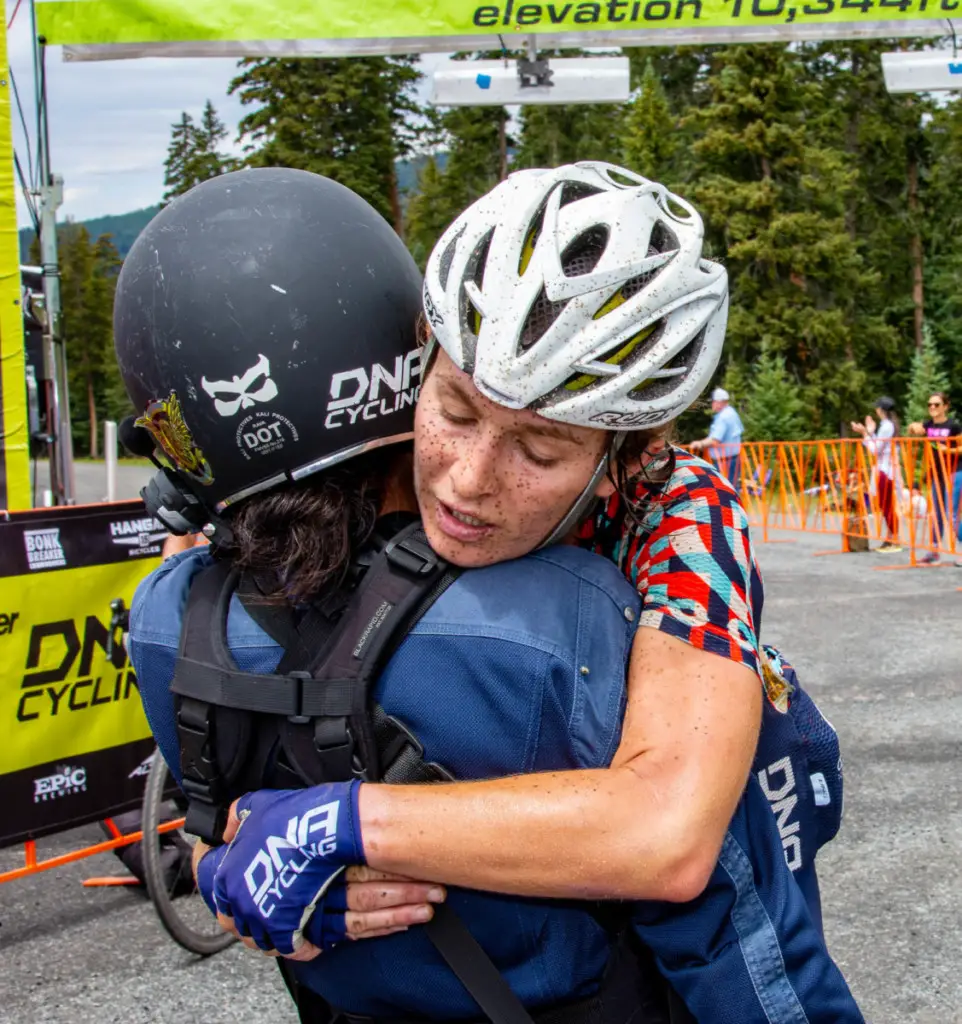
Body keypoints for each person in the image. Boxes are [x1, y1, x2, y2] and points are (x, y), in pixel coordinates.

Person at [124, 166, 862, 1023]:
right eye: (456, 410)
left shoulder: (676, 510)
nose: (469, 482)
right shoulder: (366, 459)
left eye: (541, 452)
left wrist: (338, 825)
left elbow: (667, 829)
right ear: (418, 365)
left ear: (621, 457)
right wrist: (224, 868)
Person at [907, 392, 962, 564]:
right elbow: (914, 429)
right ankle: (934, 551)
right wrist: (913, 426)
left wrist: (949, 451)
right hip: (937, 474)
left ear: (946, 406)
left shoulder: (953, 426)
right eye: (930, 404)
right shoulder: (928, 425)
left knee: (953, 514)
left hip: (954, 472)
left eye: (936, 404)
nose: (932, 407)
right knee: (935, 513)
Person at [851, 397, 900, 553]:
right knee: (885, 505)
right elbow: (877, 445)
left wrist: (865, 433)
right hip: (883, 468)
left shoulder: (887, 426)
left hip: (885, 469)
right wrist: (868, 433)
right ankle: (891, 537)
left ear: (881, 409)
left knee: (887, 505)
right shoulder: (887, 425)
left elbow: (875, 449)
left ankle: (894, 539)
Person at [689, 387, 743, 493]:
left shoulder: (723, 417)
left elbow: (715, 440)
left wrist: (699, 443)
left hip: (724, 460)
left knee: (724, 490)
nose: (712, 404)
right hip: (733, 458)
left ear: (719, 402)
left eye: (713, 401)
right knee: (732, 489)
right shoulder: (732, 413)